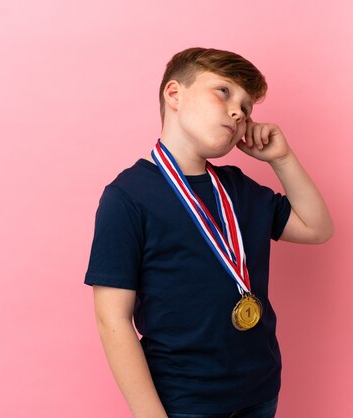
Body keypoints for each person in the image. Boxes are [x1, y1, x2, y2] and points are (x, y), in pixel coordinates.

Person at [84, 47, 334, 418]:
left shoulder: (238, 187)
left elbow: (317, 228)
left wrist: (282, 159)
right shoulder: (128, 197)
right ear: (174, 95)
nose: (238, 111)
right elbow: (112, 320)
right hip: (184, 401)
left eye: (247, 108)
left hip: (260, 389)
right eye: (223, 92)